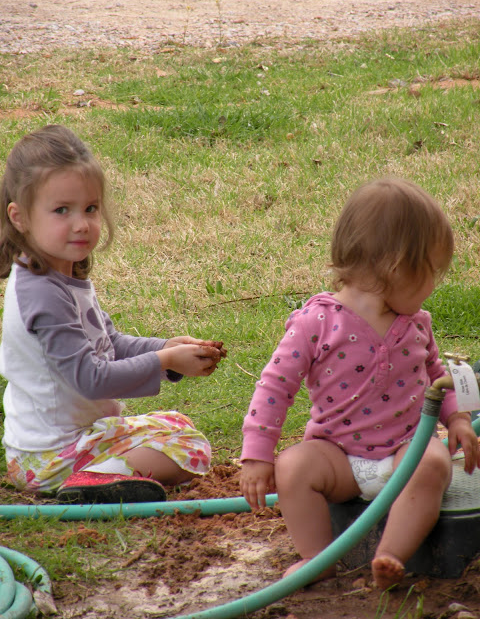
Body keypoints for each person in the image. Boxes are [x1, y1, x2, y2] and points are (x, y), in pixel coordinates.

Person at [239, 177, 480, 590]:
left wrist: (457, 418)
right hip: (337, 456)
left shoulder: (417, 323)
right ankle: (317, 559)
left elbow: (436, 379)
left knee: (434, 464)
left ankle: (391, 556)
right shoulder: (315, 322)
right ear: (397, 267)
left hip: (404, 451)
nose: (433, 286)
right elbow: (275, 387)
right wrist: (257, 454)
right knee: (293, 467)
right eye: (431, 273)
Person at [0, 124, 227, 505]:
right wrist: (165, 360)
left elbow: (110, 343)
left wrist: (166, 349)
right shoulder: (42, 293)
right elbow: (91, 379)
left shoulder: (59, 272)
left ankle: (102, 475)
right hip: (49, 457)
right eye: (61, 210)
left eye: (90, 208)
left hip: (68, 442)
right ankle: (94, 481)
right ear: (20, 217)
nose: (81, 224)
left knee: (178, 425)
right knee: (188, 447)